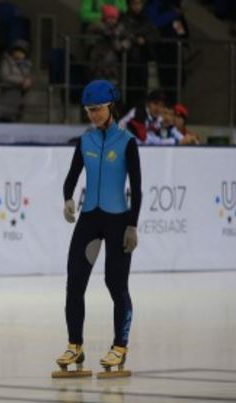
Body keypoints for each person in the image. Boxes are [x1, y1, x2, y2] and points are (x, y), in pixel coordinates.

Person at [56, 80, 142, 377]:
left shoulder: (127, 141)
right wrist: (68, 199)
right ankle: (75, 345)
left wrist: (132, 225)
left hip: (118, 220)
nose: (93, 115)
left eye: (98, 109)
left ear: (111, 107)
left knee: (115, 284)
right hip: (89, 219)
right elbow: (71, 177)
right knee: (74, 283)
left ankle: (120, 345)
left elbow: (137, 189)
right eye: (89, 110)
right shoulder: (86, 141)